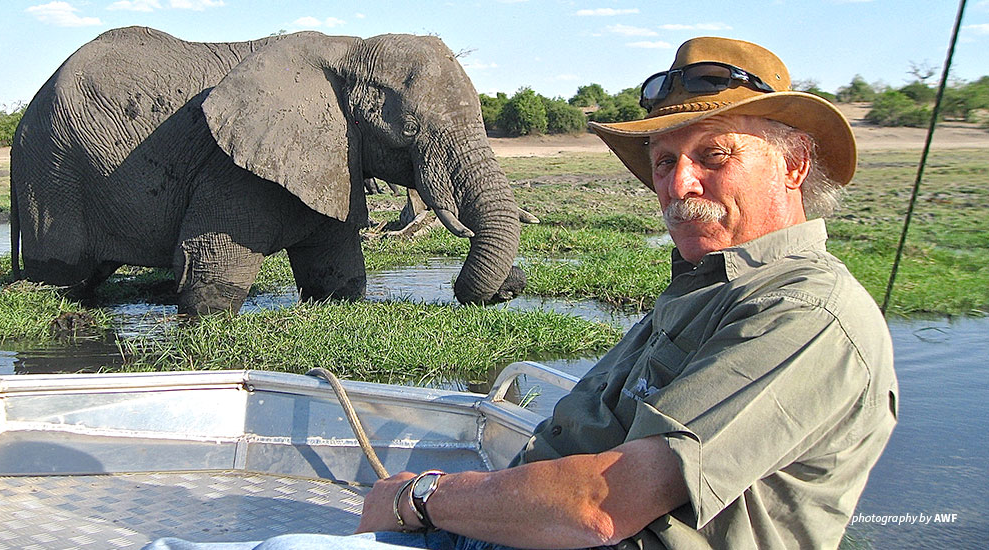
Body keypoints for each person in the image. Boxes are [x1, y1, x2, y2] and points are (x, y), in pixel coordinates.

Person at [146, 36, 898, 550]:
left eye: (714, 155)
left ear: (795, 167)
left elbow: (603, 505)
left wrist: (424, 496)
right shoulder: (707, 288)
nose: (679, 183)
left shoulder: (805, 313)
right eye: (665, 161)